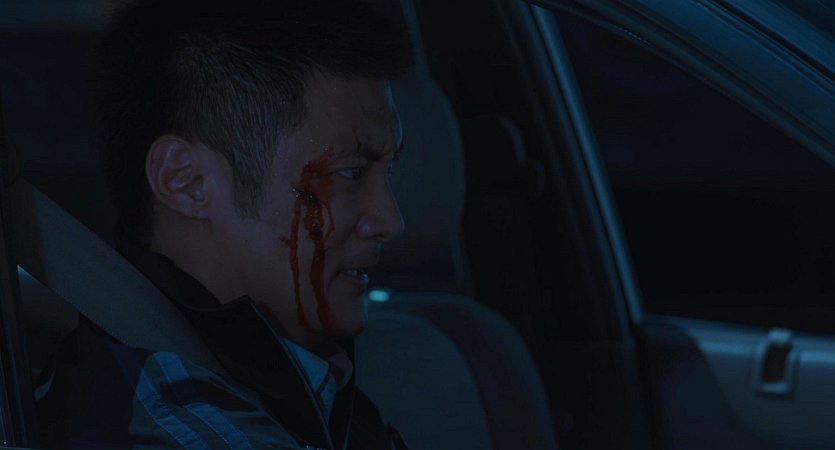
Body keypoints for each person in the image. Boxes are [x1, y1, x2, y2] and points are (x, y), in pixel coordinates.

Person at [35, 0, 414, 448]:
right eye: (348, 173)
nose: (391, 221)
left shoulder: (316, 383)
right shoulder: (170, 428)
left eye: (388, 170)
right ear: (188, 182)